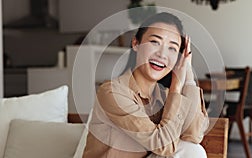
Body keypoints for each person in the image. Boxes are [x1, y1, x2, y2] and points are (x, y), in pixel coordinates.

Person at [83, 12, 209, 158]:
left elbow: (193, 135)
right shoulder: (112, 92)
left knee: (192, 149)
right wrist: (176, 87)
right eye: (155, 42)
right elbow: (163, 145)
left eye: (172, 48)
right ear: (136, 44)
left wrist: (187, 77)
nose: (162, 54)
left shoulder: (164, 96)